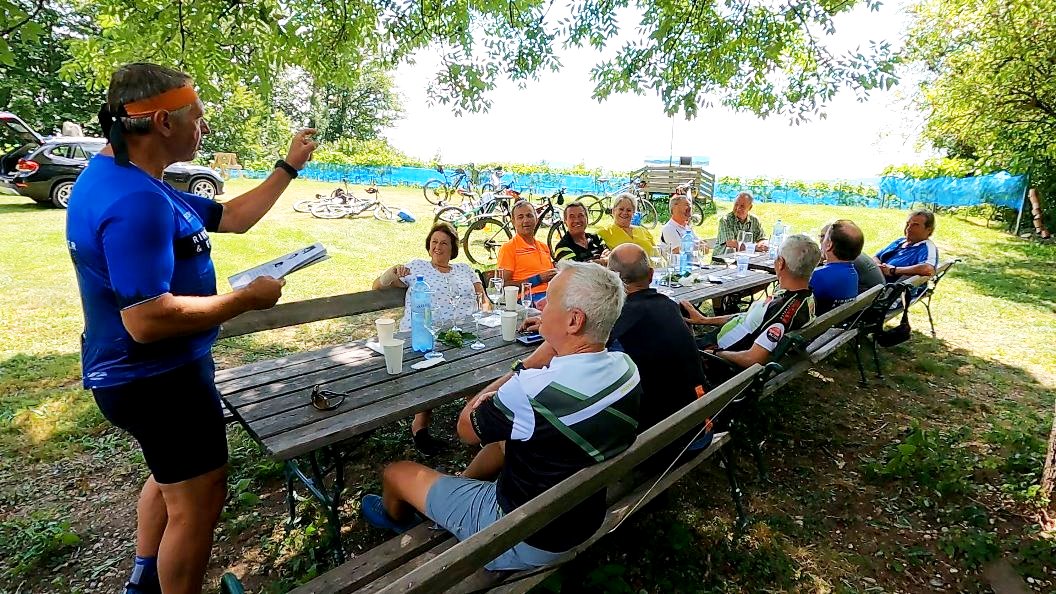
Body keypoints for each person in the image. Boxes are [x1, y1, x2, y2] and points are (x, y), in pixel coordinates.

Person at [65, 63, 317, 594]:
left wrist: (288, 166)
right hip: (158, 379)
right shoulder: (136, 200)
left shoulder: (128, 177)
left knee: (170, 477)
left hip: (143, 373)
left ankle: (144, 580)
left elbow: (232, 217)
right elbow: (146, 320)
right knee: (198, 500)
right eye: (196, 116)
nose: (204, 127)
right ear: (162, 122)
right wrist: (244, 300)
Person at [360, 262, 641, 571]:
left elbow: (466, 429)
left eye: (549, 299)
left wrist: (526, 365)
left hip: (522, 534)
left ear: (574, 321)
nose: (540, 306)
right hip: (580, 516)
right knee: (504, 441)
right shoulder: (626, 368)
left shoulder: (531, 390)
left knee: (396, 472)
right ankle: (457, 491)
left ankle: (401, 520)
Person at [372, 221, 485, 455]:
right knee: (435, 363)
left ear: (453, 247)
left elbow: (482, 298)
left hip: (462, 334)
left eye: (444, 243)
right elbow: (377, 286)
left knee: (471, 363)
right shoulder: (417, 267)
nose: (438, 247)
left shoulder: (465, 269)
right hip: (423, 335)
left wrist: (484, 319)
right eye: (434, 242)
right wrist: (392, 272)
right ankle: (422, 426)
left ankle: (480, 420)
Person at [681, 234, 818, 385]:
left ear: (780, 263)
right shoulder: (801, 296)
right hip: (718, 348)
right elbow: (749, 318)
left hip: (717, 360)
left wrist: (715, 352)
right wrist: (704, 320)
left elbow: (753, 358)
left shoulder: (781, 313)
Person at [496, 200, 557, 307]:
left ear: (536, 219)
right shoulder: (509, 248)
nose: (526, 220)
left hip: (552, 295)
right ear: (513, 222)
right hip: (527, 300)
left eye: (529, 216)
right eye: (520, 217)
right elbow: (502, 285)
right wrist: (537, 279)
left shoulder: (543, 247)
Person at [811, 220, 862, 314]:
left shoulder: (818, 276)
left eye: (824, 237)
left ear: (829, 245)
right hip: (836, 320)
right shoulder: (853, 273)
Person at [819, 222, 884, 294]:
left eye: (822, 237)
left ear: (830, 243)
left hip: (867, 297)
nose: (820, 241)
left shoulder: (842, 263)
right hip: (874, 296)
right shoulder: (850, 255)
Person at [875, 209, 938, 282]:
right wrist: (878, 266)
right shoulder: (901, 241)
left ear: (929, 230)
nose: (908, 228)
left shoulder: (926, 247)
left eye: (915, 225)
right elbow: (877, 256)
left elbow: (928, 269)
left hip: (884, 285)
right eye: (908, 224)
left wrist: (894, 270)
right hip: (875, 277)